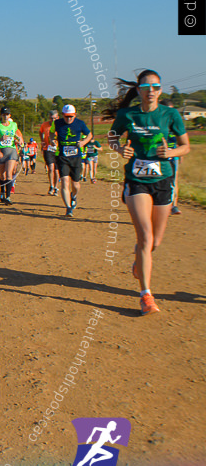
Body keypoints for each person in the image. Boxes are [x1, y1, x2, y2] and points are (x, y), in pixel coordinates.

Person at [104, 69, 189, 315]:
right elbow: (112, 137)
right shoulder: (127, 114)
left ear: (160, 90)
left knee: (156, 241)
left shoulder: (170, 114)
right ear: (139, 90)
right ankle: (146, 296)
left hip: (163, 181)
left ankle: (139, 261)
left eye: (155, 87)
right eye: (146, 87)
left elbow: (185, 147)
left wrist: (170, 153)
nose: (150, 91)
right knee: (145, 237)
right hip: (136, 180)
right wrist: (120, 149)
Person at [54, 104, 93, 217]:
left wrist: (83, 142)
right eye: (66, 116)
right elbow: (51, 132)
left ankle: (74, 196)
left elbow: (89, 135)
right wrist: (52, 140)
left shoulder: (80, 123)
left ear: (75, 115)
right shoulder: (57, 123)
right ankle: (68, 208)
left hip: (76, 157)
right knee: (65, 182)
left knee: (75, 184)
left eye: (71, 116)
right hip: (62, 157)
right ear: (62, 115)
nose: (69, 119)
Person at [0, 107, 24, 205]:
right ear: (1, 115)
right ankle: (2, 192)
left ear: (10, 115)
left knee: (9, 173)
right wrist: (0, 138)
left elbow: (16, 135)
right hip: (1, 151)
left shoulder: (14, 125)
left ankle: (8, 196)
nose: (5, 116)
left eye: (7, 114)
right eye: (4, 114)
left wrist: (18, 141)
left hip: (12, 151)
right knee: (2, 174)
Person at [39, 110, 60, 195]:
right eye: (52, 118)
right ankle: (51, 186)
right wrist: (42, 140)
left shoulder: (60, 125)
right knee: (50, 168)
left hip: (58, 149)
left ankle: (56, 187)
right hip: (48, 149)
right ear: (49, 118)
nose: (53, 120)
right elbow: (40, 132)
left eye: (55, 118)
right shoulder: (45, 125)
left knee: (56, 170)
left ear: (58, 117)